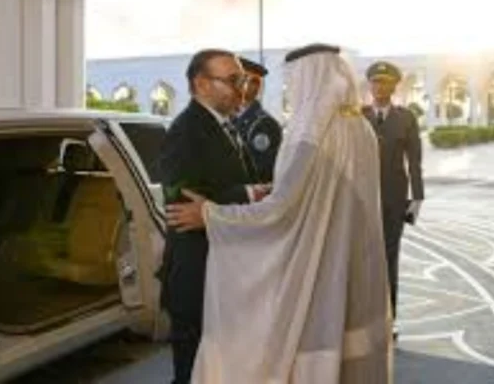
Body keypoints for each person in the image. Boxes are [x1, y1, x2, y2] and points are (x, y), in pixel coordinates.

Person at [167, 43, 392, 383]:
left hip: (319, 271)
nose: (292, 91)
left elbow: (281, 210)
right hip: (352, 268)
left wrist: (213, 215)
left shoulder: (310, 132)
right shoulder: (360, 127)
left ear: (310, 78)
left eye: (294, 82)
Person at [157, 49, 265, 384]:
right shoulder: (186, 130)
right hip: (197, 269)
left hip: (224, 264)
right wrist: (249, 194)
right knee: (193, 368)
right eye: (233, 80)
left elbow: (213, 193)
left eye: (243, 80)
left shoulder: (225, 124)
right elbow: (182, 201)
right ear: (202, 84)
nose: (242, 88)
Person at [362, 61, 424, 326]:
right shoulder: (358, 116)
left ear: (394, 87)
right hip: (362, 199)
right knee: (362, 258)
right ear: (369, 85)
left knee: (389, 257)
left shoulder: (406, 118)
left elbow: (414, 161)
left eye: (385, 83)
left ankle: (389, 318)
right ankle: (364, 317)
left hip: (394, 199)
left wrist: (417, 198)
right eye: (376, 82)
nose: (380, 87)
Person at [234, 57, 283, 183]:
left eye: (240, 79)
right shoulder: (229, 117)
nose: (234, 85)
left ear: (255, 86)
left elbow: (260, 171)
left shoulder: (264, 124)